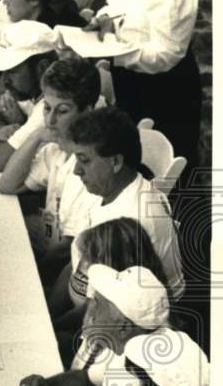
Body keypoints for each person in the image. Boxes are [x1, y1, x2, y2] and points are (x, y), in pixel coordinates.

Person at [61, 107, 185, 302]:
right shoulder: (105, 186)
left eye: (84, 160)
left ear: (116, 162)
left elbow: (103, 312)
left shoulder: (131, 223)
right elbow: (76, 263)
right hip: (86, 300)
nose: (77, 170)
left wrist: (52, 323)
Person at [19, 263, 170, 386]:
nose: (89, 311)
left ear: (123, 327)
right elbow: (88, 382)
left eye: (97, 304)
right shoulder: (119, 338)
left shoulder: (137, 372)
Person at [0, 57, 103, 265]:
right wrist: (37, 136)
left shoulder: (92, 166)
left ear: (88, 111)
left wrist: (33, 273)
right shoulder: (56, 147)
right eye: (47, 108)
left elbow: (69, 249)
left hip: (69, 264)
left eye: (62, 111)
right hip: (51, 235)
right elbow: (7, 185)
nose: (50, 120)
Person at [85, 0, 201, 165]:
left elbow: (168, 52)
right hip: (126, 75)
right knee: (134, 155)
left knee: (171, 161)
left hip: (167, 85)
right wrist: (106, 18)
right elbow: (118, 4)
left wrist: (115, 54)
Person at [0, 21, 59, 171]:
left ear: (42, 67)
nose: (4, 81)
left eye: (12, 71)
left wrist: (17, 127)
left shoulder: (50, 108)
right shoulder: (37, 86)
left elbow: (1, 161)